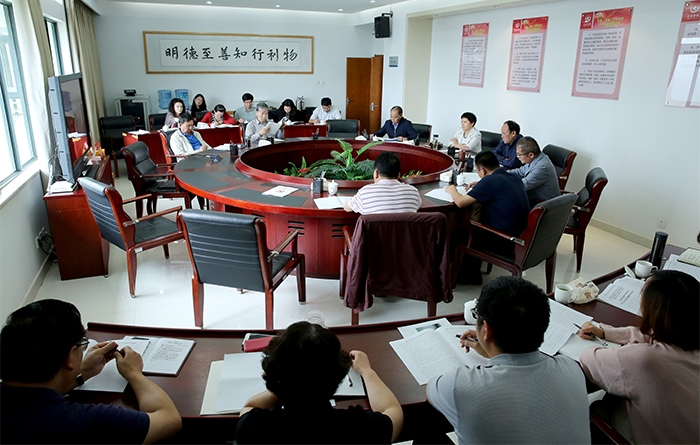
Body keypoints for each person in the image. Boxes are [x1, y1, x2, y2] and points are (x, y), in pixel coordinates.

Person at [427, 276, 591, 444]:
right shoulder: (572, 368)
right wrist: (492, 349)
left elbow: (430, 389)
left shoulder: (459, 385)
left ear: (486, 330)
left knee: (427, 437)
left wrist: (491, 348)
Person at [0, 299, 182, 444]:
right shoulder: (80, 422)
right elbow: (169, 420)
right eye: (82, 345)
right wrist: (134, 374)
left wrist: (83, 373)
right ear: (70, 357)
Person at [578, 270, 699, 444]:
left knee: (600, 405)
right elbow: (651, 334)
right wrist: (606, 332)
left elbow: (590, 359)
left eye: (642, 293)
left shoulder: (645, 359)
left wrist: (618, 349)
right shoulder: (687, 334)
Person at [236, 321, 403, 444]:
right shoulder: (358, 428)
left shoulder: (254, 427)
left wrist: (283, 383)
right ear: (338, 376)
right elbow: (392, 411)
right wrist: (366, 370)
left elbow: (249, 407)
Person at [445, 151, 530, 284]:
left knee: (462, 231)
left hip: (505, 240)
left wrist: (452, 190)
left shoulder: (490, 181)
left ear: (482, 170)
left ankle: (468, 277)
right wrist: (481, 184)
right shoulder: (513, 177)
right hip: (521, 236)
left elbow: (460, 202)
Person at [344, 151, 421, 214]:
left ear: (376, 173)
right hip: (403, 229)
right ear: (398, 175)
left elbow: (347, 208)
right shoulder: (413, 192)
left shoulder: (365, 193)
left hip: (374, 229)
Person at [508, 136, 560, 203]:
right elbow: (519, 172)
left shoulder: (542, 166)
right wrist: (500, 173)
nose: (517, 156)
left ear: (531, 155)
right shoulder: (535, 159)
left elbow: (522, 185)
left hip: (543, 204)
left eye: (519, 154)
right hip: (532, 198)